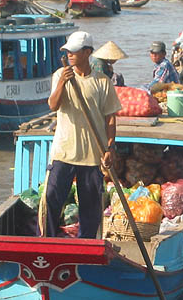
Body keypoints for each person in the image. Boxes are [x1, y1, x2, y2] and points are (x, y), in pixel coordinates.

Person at [39, 31, 122, 238]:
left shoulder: (102, 82)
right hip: (64, 151)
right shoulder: (60, 75)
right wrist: (62, 84)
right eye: (68, 51)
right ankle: (47, 241)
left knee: (91, 206)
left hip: (93, 154)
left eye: (74, 51)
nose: (70, 55)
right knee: (51, 198)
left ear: (88, 53)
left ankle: (86, 245)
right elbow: (53, 105)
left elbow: (110, 118)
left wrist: (110, 147)